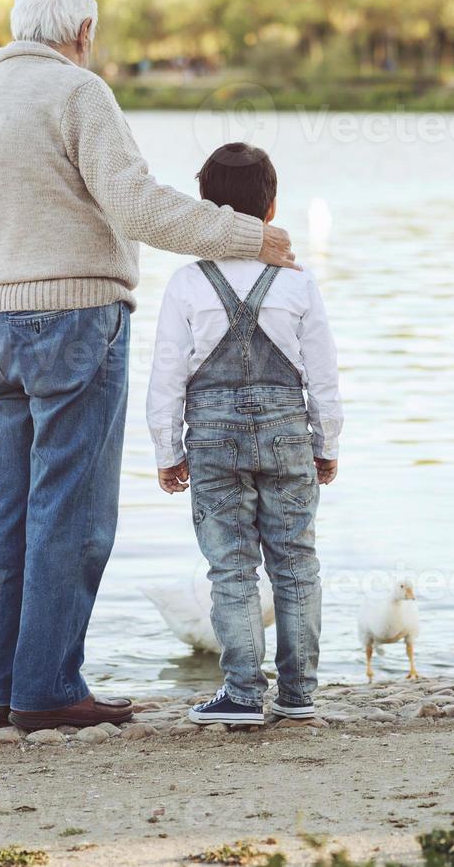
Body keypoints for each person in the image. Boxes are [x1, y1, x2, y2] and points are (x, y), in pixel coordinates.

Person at [0, 0, 298, 731]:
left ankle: (5, 691)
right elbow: (136, 206)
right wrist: (247, 236)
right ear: (82, 33)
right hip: (75, 321)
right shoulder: (77, 93)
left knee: (6, 506)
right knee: (73, 509)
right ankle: (49, 690)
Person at [146, 142, 343, 726]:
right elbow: (324, 376)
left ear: (205, 207)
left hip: (212, 437)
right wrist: (326, 444)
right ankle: (299, 693)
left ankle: (241, 694)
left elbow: (167, 376)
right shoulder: (298, 284)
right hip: (287, 431)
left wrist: (167, 450)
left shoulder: (186, 283)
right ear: (273, 208)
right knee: (296, 561)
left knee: (230, 567)